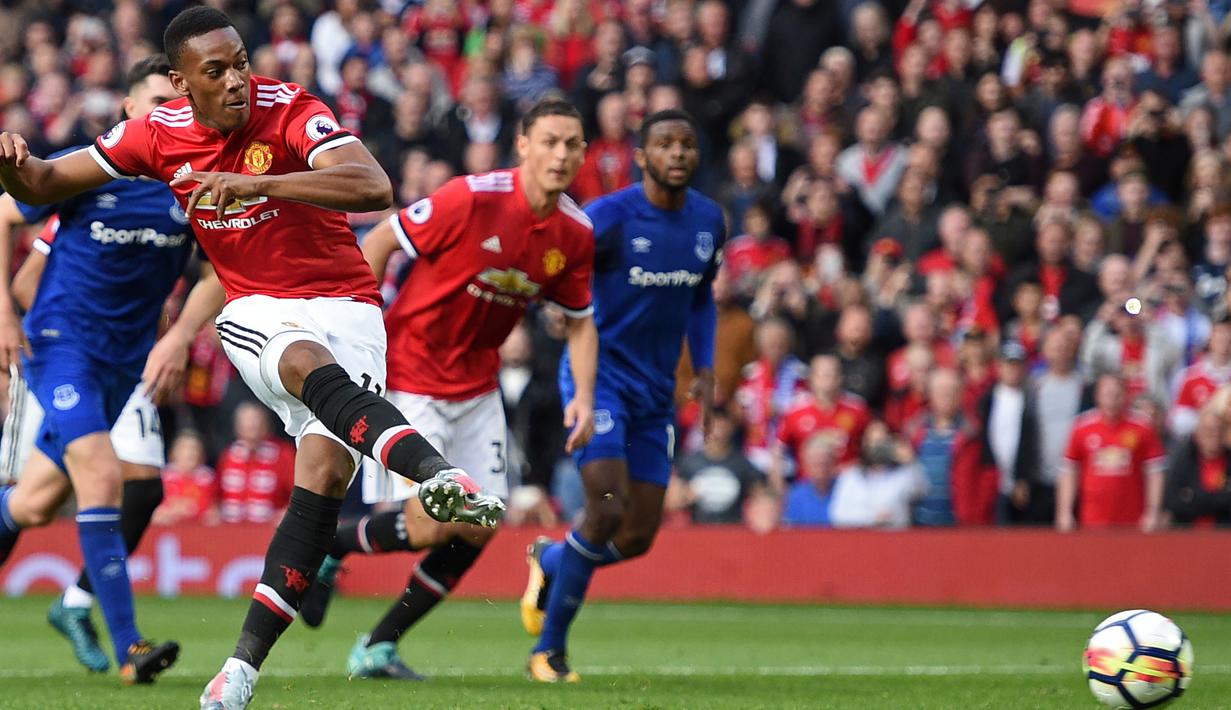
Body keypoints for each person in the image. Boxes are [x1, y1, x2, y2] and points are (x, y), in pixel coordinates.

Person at [0, 8, 503, 708]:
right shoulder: (154, 132)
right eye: (217, 72)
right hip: (256, 308)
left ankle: (237, 674)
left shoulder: (291, 108)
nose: (237, 80)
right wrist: (15, 168)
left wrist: (260, 183)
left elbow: (373, 186)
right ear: (181, 83)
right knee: (297, 360)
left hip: (349, 306)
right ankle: (436, 473)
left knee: (323, 482)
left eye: (240, 62)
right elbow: (47, 183)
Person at [296, 99, 598, 680]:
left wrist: (582, 395)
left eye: (573, 144)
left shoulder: (573, 234)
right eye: (551, 141)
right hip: (412, 373)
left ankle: (378, 646)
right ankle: (333, 544)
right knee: (437, 519)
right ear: (523, 145)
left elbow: (580, 319)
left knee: (482, 521)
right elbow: (383, 237)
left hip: (477, 386)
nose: (561, 154)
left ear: (584, 153)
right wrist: (358, 324)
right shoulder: (472, 197)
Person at [0, 55, 190, 683]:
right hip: (61, 348)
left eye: (178, 100)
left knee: (28, 507)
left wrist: (183, 332)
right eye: (157, 100)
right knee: (107, 477)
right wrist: (3, 311)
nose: (170, 110)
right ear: (130, 113)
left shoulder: (192, 190)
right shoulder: (91, 171)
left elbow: (218, 273)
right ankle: (130, 649)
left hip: (123, 365)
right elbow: (6, 211)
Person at [519, 109, 725, 682]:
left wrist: (704, 367)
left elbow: (703, 297)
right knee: (605, 507)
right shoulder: (608, 217)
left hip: (657, 394)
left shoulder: (709, 220)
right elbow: (555, 270)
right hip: (599, 380)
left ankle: (553, 559)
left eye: (687, 144)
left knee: (635, 537)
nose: (678, 154)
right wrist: (559, 312)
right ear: (642, 156)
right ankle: (549, 651)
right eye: (665, 144)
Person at [1057, 374, 1166, 532]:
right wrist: (1064, 512)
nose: (1112, 400)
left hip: (1132, 520)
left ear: (1126, 395)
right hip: (1092, 520)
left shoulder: (1142, 427)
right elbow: (1069, 471)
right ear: (1098, 396)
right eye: (1107, 394)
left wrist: (1153, 512)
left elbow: (1155, 473)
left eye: (1117, 394)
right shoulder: (1081, 427)